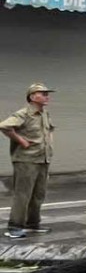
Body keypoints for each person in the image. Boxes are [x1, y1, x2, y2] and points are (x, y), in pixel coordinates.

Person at [1, 83, 55, 239]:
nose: (47, 96)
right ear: (32, 97)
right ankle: (14, 226)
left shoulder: (44, 113)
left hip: (42, 159)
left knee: (39, 194)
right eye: (43, 93)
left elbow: (48, 131)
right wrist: (21, 141)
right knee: (23, 194)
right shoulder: (23, 114)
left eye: (47, 93)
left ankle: (32, 223)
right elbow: (4, 127)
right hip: (26, 160)